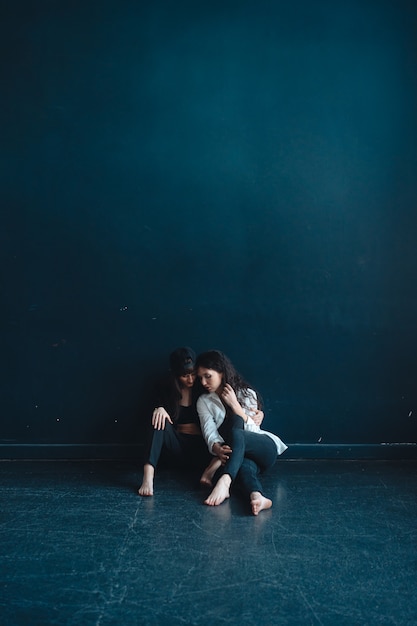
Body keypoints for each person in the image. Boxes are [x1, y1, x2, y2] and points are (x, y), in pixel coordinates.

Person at [196, 350, 287, 515]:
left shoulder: (246, 394)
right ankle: (258, 496)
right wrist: (217, 449)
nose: (203, 382)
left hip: (263, 448)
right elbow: (208, 430)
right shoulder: (204, 401)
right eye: (200, 377)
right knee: (245, 468)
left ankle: (224, 482)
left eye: (208, 376)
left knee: (238, 430)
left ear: (221, 373)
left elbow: (253, 430)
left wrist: (235, 406)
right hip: (236, 454)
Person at [138, 347, 214, 496]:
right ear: (176, 375)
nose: (191, 379)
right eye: (185, 376)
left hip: (202, 449)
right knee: (158, 418)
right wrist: (159, 408)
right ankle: (148, 476)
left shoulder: (204, 387)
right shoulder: (166, 390)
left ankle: (210, 472)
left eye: (193, 374)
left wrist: (258, 412)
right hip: (177, 448)